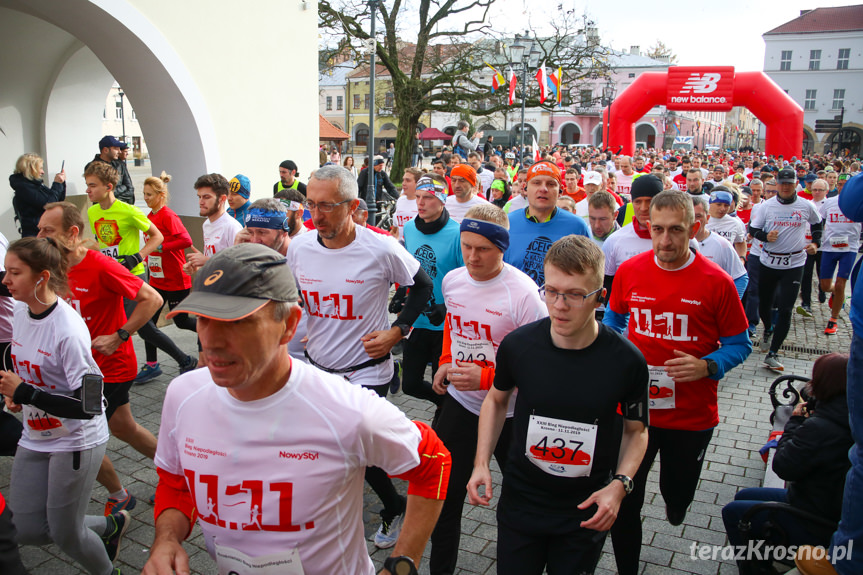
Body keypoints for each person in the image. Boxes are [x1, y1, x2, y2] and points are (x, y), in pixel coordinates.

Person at [143, 243, 450, 575]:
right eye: (203, 319)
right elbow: (176, 482)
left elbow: (433, 461)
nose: (211, 341)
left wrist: (402, 564)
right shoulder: (183, 394)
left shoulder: (346, 409)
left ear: (289, 325)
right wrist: (167, 540)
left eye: (236, 323)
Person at [467, 235, 649, 575]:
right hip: (522, 501)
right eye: (551, 291)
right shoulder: (519, 345)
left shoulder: (627, 361)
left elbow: (637, 431)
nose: (560, 305)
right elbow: (496, 399)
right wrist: (481, 463)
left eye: (576, 294)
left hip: (585, 508)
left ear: (600, 298)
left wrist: (619, 485)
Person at [286, 165, 434, 548]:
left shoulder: (381, 248)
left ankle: (390, 507)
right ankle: (385, 503)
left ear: (352, 206)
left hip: (367, 370)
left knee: (354, 449)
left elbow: (422, 287)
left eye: (326, 207)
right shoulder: (300, 247)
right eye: (311, 205)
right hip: (318, 368)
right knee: (333, 448)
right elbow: (293, 298)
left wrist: (397, 331)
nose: (315, 216)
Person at [604, 191, 752, 575]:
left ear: (695, 229)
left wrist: (708, 365)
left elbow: (740, 344)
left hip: (691, 415)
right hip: (635, 411)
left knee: (677, 490)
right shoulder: (630, 271)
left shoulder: (716, 282)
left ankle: (677, 502)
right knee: (626, 500)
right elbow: (615, 322)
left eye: (676, 230)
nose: (665, 240)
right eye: (657, 230)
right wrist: (613, 353)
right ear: (646, 227)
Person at [429, 204, 547, 575]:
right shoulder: (453, 280)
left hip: (511, 415)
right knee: (442, 498)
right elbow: (453, 322)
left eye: (483, 248)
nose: (472, 257)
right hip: (462, 407)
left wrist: (487, 380)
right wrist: (447, 358)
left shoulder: (524, 295)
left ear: (502, 247)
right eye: (466, 246)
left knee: (517, 506)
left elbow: (540, 367)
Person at [1, 237, 128, 575]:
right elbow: (18, 353)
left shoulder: (68, 331)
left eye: (14, 273)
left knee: (65, 534)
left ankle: (107, 571)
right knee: (26, 529)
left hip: (76, 439)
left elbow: (90, 405)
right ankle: (110, 526)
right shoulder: (20, 308)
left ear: (41, 277)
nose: (5, 281)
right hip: (36, 435)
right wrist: (17, 389)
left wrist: (27, 393)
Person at [38, 200, 167, 516]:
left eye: (48, 230)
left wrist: (121, 334)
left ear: (71, 233)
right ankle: (175, 472)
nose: (39, 235)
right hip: (73, 370)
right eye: (39, 228)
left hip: (107, 368)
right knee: (124, 427)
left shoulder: (99, 265)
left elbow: (152, 299)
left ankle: (120, 494)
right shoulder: (52, 267)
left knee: (74, 434)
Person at [724, 353, 852, 575]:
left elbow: (783, 466)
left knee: (733, 512)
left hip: (815, 520)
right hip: (825, 504)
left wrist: (795, 420)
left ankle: (755, 569)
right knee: (743, 496)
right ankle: (760, 556)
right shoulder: (846, 413)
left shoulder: (822, 427)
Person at [86, 162, 195, 379]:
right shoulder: (92, 212)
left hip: (132, 275)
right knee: (116, 322)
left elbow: (158, 237)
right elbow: (102, 243)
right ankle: (117, 368)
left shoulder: (129, 211)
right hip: (110, 275)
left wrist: (138, 256)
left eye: (92, 185)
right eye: (87, 185)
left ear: (108, 187)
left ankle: (185, 359)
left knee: (142, 327)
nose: (88, 190)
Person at [749, 168, 823, 372]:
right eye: (782, 183)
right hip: (769, 261)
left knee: (786, 309)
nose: (785, 187)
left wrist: (816, 243)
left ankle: (773, 352)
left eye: (789, 184)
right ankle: (768, 328)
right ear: (777, 184)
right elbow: (753, 229)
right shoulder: (767, 206)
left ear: (795, 183)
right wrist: (765, 237)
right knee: (764, 304)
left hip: (795, 262)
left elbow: (817, 223)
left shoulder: (805, 205)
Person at [400, 174, 462, 407]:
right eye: (418, 197)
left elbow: (466, 279)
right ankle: (443, 407)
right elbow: (409, 268)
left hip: (445, 326)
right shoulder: (409, 228)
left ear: (443, 200)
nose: (420, 203)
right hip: (418, 319)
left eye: (428, 197)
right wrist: (401, 294)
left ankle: (443, 419)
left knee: (443, 386)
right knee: (410, 385)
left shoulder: (457, 233)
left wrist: (448, 306)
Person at [138, 173, 198, 383]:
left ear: (161, 195)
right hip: (157, 279)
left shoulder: (168, 215)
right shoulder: (150, 217)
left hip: (176, 279)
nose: (145, 198)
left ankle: (209, 331)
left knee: (181, 321)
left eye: (149, 194)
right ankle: (152, 365)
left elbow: (185, 239)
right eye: (144, 194)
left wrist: (161, 246)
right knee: (147, 323)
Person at [504, 161, 590, 287]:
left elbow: (587, 276)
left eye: (550, 184)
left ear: (560, 191)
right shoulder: (507, 223)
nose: (543, 189)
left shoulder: (577, 227)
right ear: (525, 188)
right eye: (536, 183)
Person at [819, 187, 861, 335]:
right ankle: (837, 294)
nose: (844, 187)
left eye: (846, 184)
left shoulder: (858, 202)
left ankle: (833, 319)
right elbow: (820, 220)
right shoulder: (830, 202)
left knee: (840, 284)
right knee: (824, 286)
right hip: (829, 248)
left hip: (849, 249)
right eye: (841, 183)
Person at [184, 173, 243, 274]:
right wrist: (197, 266)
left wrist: (207, 261)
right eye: (199, 197)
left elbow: (241, 266)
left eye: (206, 197)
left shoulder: (232, 227)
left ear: (222, 199)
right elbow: (212, 261)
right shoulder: (206, 224)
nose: (201, 202)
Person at [691, 194, 748, 298]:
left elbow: (740, 277)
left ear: (707, 218)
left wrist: (732, 303)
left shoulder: (722, 245)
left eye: (698, 216)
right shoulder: (675, 244)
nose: (694, 221)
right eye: (690, 216)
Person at [9, 152, 66, 237]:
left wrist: (61, 183)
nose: (43, 172)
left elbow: (58, 200)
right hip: (35, 235)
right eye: (40, 168)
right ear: (31, 169)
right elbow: (49, 205)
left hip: (42, 232)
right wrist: (57, 184)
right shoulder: (24, 187)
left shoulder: (35, 185)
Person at [85, 136, 134, 205]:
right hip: (102, 210)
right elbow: (100, 193)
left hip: (122, 208)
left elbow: (130, 189)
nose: (119, 151)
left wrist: (114, 200)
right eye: (116, 149)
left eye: (119, 149)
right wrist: (123, 188)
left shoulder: (120, 164)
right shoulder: (91, 167)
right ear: (105, 150)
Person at [705, 188, 747, 258]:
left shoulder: (734, 223)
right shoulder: (701, 220)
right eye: (719, 204)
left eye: (726, 205)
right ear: (711, 203)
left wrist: (742, 258)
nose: (722, 209)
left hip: (725, 265)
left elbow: (741, 242)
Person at [393, 167, 421, 237]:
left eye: (408, 181)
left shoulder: (422, 202)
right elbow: (396, 230)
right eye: (403, 180)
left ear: (418, 183)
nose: (403, 183)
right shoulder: (400, 200)